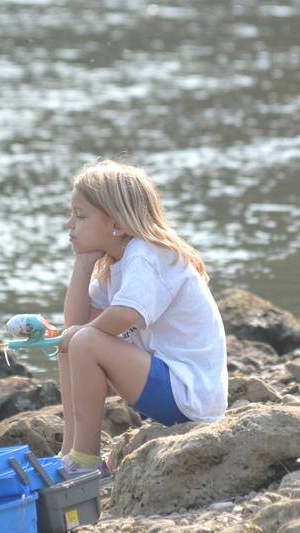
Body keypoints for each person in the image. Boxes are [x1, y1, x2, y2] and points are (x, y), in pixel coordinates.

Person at [57, 159, 227, 478]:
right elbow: (75, 321)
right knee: (73, 342)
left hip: (188, 393)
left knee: (83, 340)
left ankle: (87, 460)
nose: (70, 224)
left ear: (116, 225)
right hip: (166, 386)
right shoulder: (117, 262)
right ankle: (70, 452)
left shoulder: (146, 255)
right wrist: (83, 264)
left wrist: (80, 337)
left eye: (80, 216)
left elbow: (125, 315)